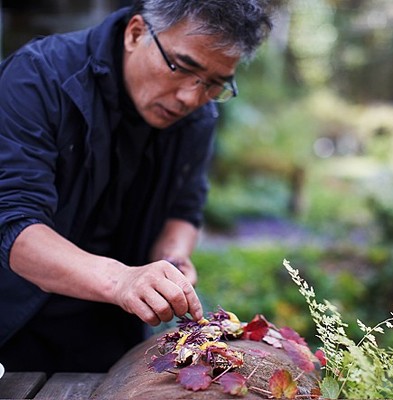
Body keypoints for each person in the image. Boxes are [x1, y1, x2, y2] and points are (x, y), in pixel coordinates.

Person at [0, 0, 272, 374]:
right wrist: (123, 280)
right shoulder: (38, 78)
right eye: (182, 67)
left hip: (112, 336)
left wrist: (173, 260)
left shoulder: (199, 116)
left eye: (214, 84)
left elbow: (185, 207)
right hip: (12, 327)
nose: (190, 98)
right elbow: (12, 225)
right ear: (136, 33)